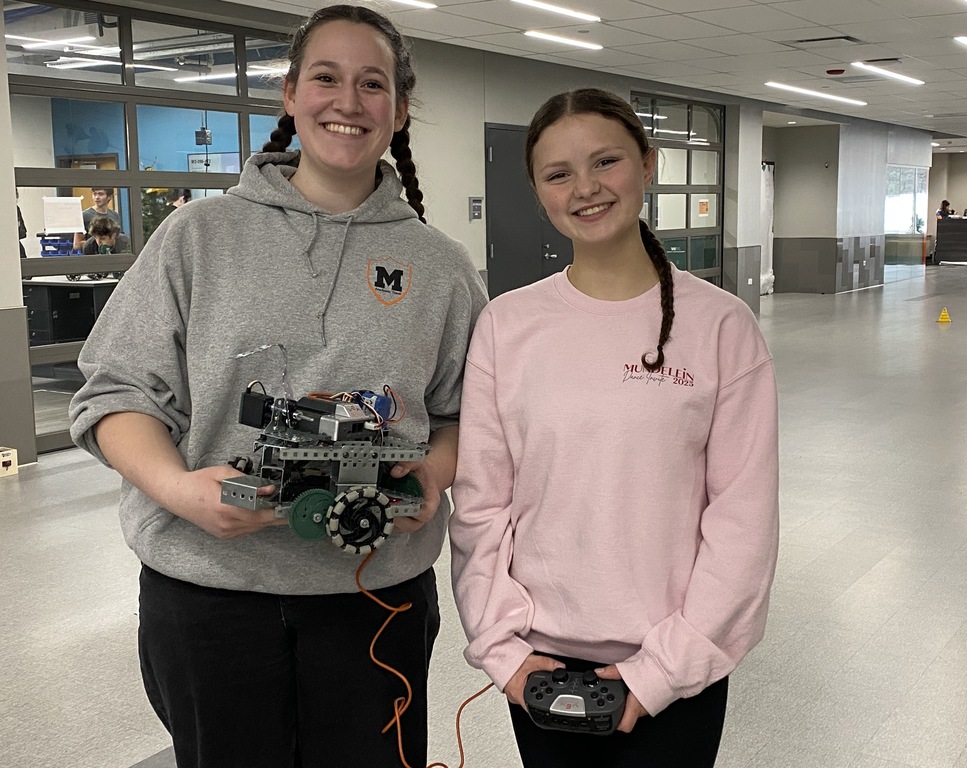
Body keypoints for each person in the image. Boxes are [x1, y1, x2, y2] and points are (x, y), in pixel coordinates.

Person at [69, 6, 487, 767]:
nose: (348, 102)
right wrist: (182, 489)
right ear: (291, 95)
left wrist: (431, 474)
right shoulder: (197, 237)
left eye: (373, 84)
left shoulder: (443, 267)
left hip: (374, 602)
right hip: (207, 598)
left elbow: (469, 415)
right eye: (325, 78)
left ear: (398, 110)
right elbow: (113, 394)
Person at [449, 88, 779, 768]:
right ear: (538, 189)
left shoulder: (720, 327)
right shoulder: (507, 327)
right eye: (559, 173)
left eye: (606, 162)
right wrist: (503, 653)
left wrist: (665, 670)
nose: (586, 189)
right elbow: (481, 508)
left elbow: (742, 520)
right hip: (540, 666)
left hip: (676, 668)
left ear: (647, 164)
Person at [75, 187, 121, 251]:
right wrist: (100, 243)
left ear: (109, 197)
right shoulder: (84, 215)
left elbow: (118, 238)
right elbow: (77, 244)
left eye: (100, 194)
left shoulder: (115, 215)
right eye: (94, 194)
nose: (97, 197)